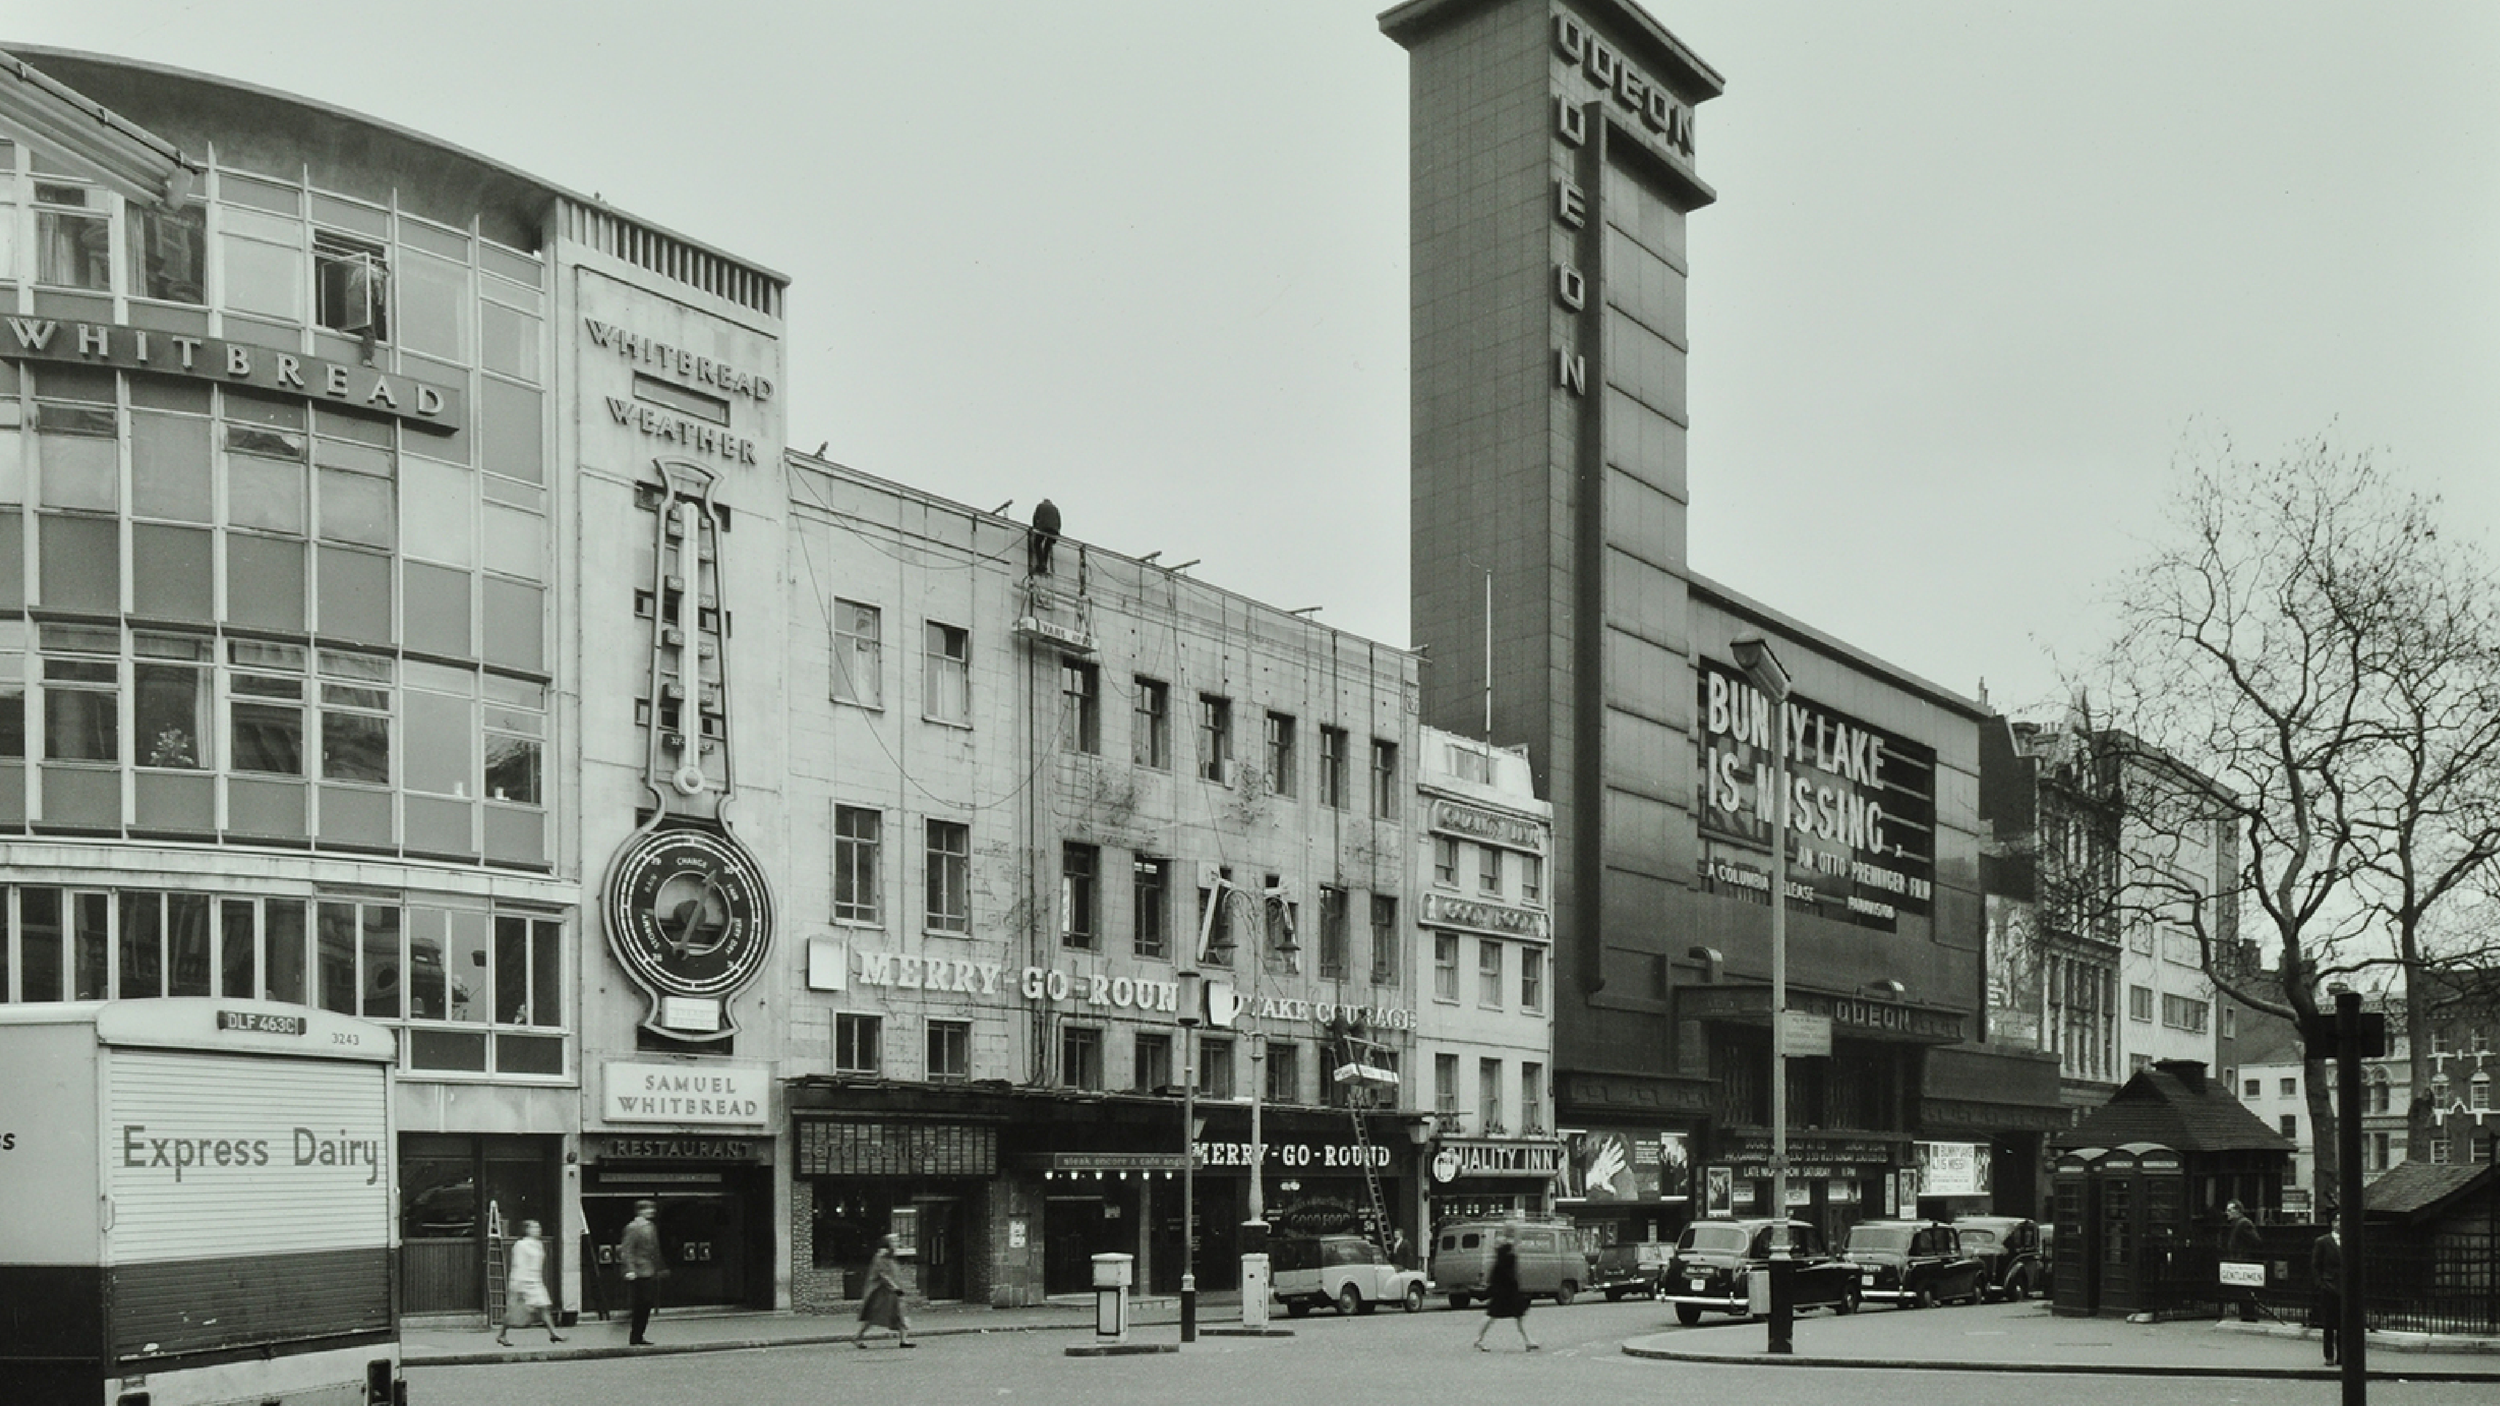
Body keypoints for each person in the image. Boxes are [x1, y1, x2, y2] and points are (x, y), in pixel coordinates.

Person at [496, 1219, 565, 1347]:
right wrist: (519, 1286)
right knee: (513, 1311)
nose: (538, 1229)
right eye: (534, 1227)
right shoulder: (520, 1245)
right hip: (522, 1280)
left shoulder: (538, 1244)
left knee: (544, 1306)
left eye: (538, 1227)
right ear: (526, 1230)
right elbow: (519, 1265)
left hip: (535, 1280)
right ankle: (502, 1334)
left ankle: (553, 1333)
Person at [1472, 1239, 1536, 1352]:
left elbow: (1494, 1278)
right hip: (1507, 1295)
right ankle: (1528, 1341)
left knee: (1493, 1316)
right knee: (1515, 1317)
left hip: (1502, 1294)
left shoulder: (1500, 1262)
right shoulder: (1508, 1261)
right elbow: (1511, 1278)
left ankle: (1528, 1341)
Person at [617, 1199, 665, 1347]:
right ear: (641, 1211)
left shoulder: (650, 1227)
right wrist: (630, 1269)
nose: (652, 1211)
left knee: (647, 1303)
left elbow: (654, 1250)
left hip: (649, 1269)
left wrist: (659, 1266)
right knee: (642, 1302)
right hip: (638, 1270)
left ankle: (639, 1334)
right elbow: (627, 1249)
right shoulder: (633, 1227)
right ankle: (635, 1335)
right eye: (649, 1209)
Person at [854, 1234, 915, 1348]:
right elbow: (883, 1274)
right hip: (883, 1292)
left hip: (893, 1291)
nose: (897, 1243)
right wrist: (894, 1287)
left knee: (900, 1314)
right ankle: (858, 1337)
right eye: (894, 1241)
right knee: (874, 1315)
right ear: (887, 1243)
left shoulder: (891, 1256)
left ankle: (904, 1340)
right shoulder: (882, 1256)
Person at [2311, 1216, 2344, 1365]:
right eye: (2337, 1220)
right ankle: (2329, 1355)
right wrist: (2321, 1284)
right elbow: (2316, 1265)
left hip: (2344, 1289)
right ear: (2333, 1223)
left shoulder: (2350, 1240)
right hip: (2329, 1287)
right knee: (2329, 1324)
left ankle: (2342, 1356)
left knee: (2344, 1325)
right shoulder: (2322, 1242)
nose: (2340, 1223)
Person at [2223, 1200, 2262, 1322]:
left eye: (2230, 1210)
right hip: (2238, 1261)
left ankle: (2249, 1316)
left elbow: (2256, 1241)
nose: (2227, 1213)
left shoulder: (2244, 1223)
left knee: (2245, 1291)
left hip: (2243, 1262)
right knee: (2241, 1291)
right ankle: (2245, 1315)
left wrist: (2243, 1252)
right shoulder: (2237, 1224)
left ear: (2237, 1211)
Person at [1028, 498, 1061, 577]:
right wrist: (1056, 533)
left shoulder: (1040, 506)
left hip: (1043, 528)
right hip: (1054, 530)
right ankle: (1044, 564)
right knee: (1047, 546)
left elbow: (1035, 517)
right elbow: (1059, 522)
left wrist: (1035, 528)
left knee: (1037, 543)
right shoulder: (1055, 508)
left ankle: (1040, 563)